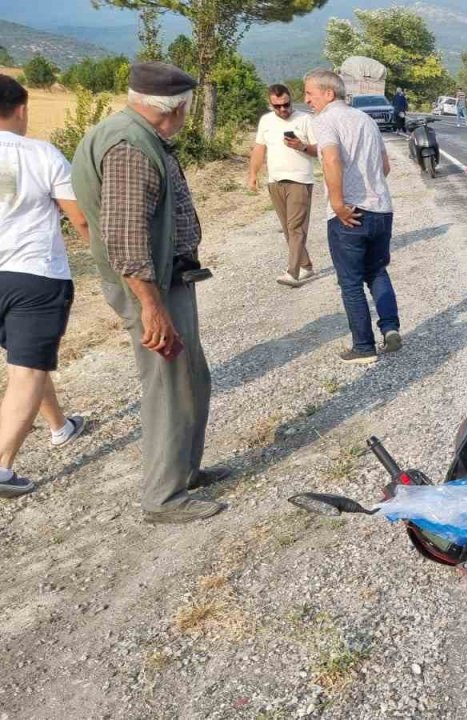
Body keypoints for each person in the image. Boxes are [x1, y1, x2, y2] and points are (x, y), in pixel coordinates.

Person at [71, 62, 227, 523]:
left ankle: (184, 471)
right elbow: (125, 237)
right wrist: (151, 307)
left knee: (191, 380)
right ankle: (163, 496)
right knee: (168, 389)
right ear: (177, 107)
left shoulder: (134, 135)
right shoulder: (130, 146)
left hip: (164, 282)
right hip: (152, 288)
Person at [0, 76, 90, 499]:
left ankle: (60, 426)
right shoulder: (43, 153)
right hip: (33, 274)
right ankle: (1, 466)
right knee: (28, 369)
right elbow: (81, 219)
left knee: (26, 360)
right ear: (21, 109)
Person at [303, 68, 401, 365]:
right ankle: (391, 327)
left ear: (328, 93)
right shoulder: (366, 120)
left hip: (350, 213)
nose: (306, 99)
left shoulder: (326, 121)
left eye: (309, 93)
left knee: (350, 282)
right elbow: (384, 166)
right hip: (381, 209)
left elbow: (331, 159)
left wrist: (338, 202)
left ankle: (363, 346)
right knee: (377, 271)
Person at [246, 83, 318, 289]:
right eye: (277, 106)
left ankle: (292, 273)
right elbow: (260, 149)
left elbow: (319, 149)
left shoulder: (305, 119)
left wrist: (302, 146)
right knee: (288, 229)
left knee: (296, 228)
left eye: (286, 105)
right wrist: (253, 174)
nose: (283, 110)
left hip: (300, 180)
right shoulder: (266, 121)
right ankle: (305, 265)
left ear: (290, 99)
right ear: (270, 104)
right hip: (275, 181)